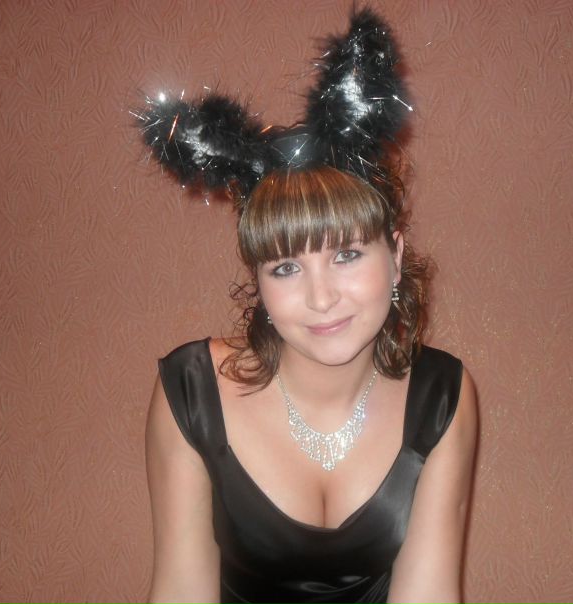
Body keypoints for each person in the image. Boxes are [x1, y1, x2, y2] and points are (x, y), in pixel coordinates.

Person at [138, 10, 476, 604]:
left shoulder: (441, 397)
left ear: (395, 256)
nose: (321, 298)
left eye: (346, 254)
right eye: (286, 267)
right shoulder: (191, 394)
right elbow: (180, 590)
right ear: (259, 280)